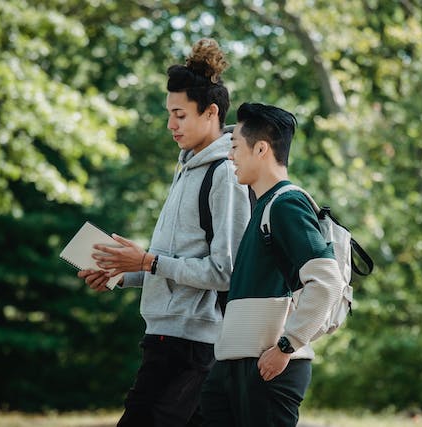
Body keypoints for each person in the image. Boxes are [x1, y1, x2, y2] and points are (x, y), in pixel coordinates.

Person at [77, 39, 252, 427]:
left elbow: (225, 272)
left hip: (191, 345)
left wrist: (147, 261)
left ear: (210, 113)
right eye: (168, 114)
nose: (170, 125)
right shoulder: (188, 167)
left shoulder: (224, 174)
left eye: (179, 115)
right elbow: (174, 267)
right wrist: (122, 273)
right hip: (167, 337)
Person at [200, 102, 342, 427]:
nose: (230, 156)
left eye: (234, 146)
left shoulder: (286, 203)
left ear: (260, 148)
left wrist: (286, 346)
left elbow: (327, 282)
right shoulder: (263, 206)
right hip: (235, 364)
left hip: (268, 368)